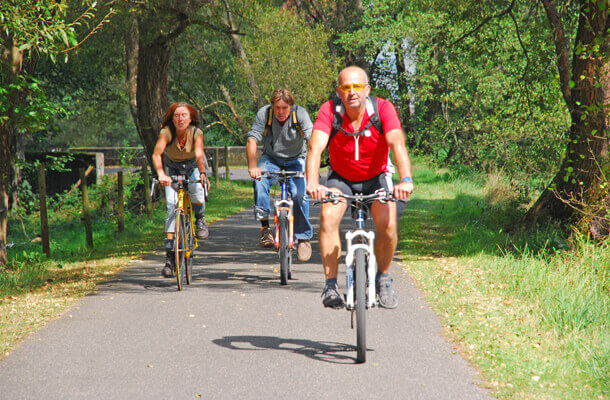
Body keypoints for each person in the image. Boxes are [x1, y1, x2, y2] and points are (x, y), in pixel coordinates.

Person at [306, 66, 414, 309]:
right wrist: (312, 183)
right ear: (339, 91)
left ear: (367, 90)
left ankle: (383, 278)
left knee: (388, 222)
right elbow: (315, 148)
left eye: (357, 87)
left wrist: (405, 180)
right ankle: (331, 285)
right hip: (341, 178)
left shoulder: (383, 109)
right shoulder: (329, 111)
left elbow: (397, 145)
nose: (352, 92)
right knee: (328, 216)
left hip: (377, 177)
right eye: (346, 87)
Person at [247, 88, 314, 262]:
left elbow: (312, 138)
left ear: (291, 107)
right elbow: (252, 139)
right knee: (259, 182)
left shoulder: (300, 114)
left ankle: (304, 238)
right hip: (271, 159)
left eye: (284, 108)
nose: (280, 112)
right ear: (272, 106)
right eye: (277, 107)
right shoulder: (265, 113)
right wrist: (253, 165)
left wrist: (310, 167)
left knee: (300, 194)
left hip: (297, 158)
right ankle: (265, 230)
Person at [152, 102, 211, 277]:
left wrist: (202, 174)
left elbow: (199, 155)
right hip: (172, 169)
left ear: (191, 118)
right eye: (177, 115)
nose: (180, 119)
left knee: (197, 192)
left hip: (193, 166)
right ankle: (169, 259)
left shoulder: (196, 133)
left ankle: (200, 218)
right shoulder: (167, 132)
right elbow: (156, 154)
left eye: (184, 115)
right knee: (171, 206)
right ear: (172, 118)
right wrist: (162, 174)